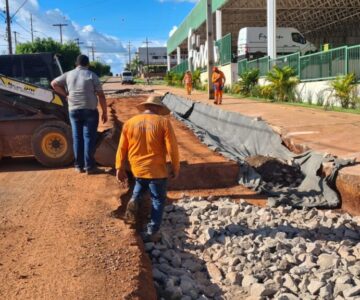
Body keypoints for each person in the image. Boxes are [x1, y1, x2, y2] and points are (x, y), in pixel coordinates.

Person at [115, 96, 179, 242]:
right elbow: (172, 148)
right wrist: (175, 167)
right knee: (157, 200)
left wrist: (119, 167)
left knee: (139, 185)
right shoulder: (163, 122)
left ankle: (133, 203)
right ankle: (152, 230)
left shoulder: (129, 123)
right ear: (157, 108)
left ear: (146, 107)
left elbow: (121, 147)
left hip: (137, 168)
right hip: (157, 170)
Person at [51, 54, 108, 174]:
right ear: (87, 64)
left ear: (76, 64)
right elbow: (101, 95)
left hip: (74, 110)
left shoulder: (68, 74)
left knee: (77, 138)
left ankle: (78, 166)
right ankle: (89, 167)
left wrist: (66, 95)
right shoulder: (92, 75)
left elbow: (54, 84)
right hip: (90, 111)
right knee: (88, 138)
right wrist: (104, 112)